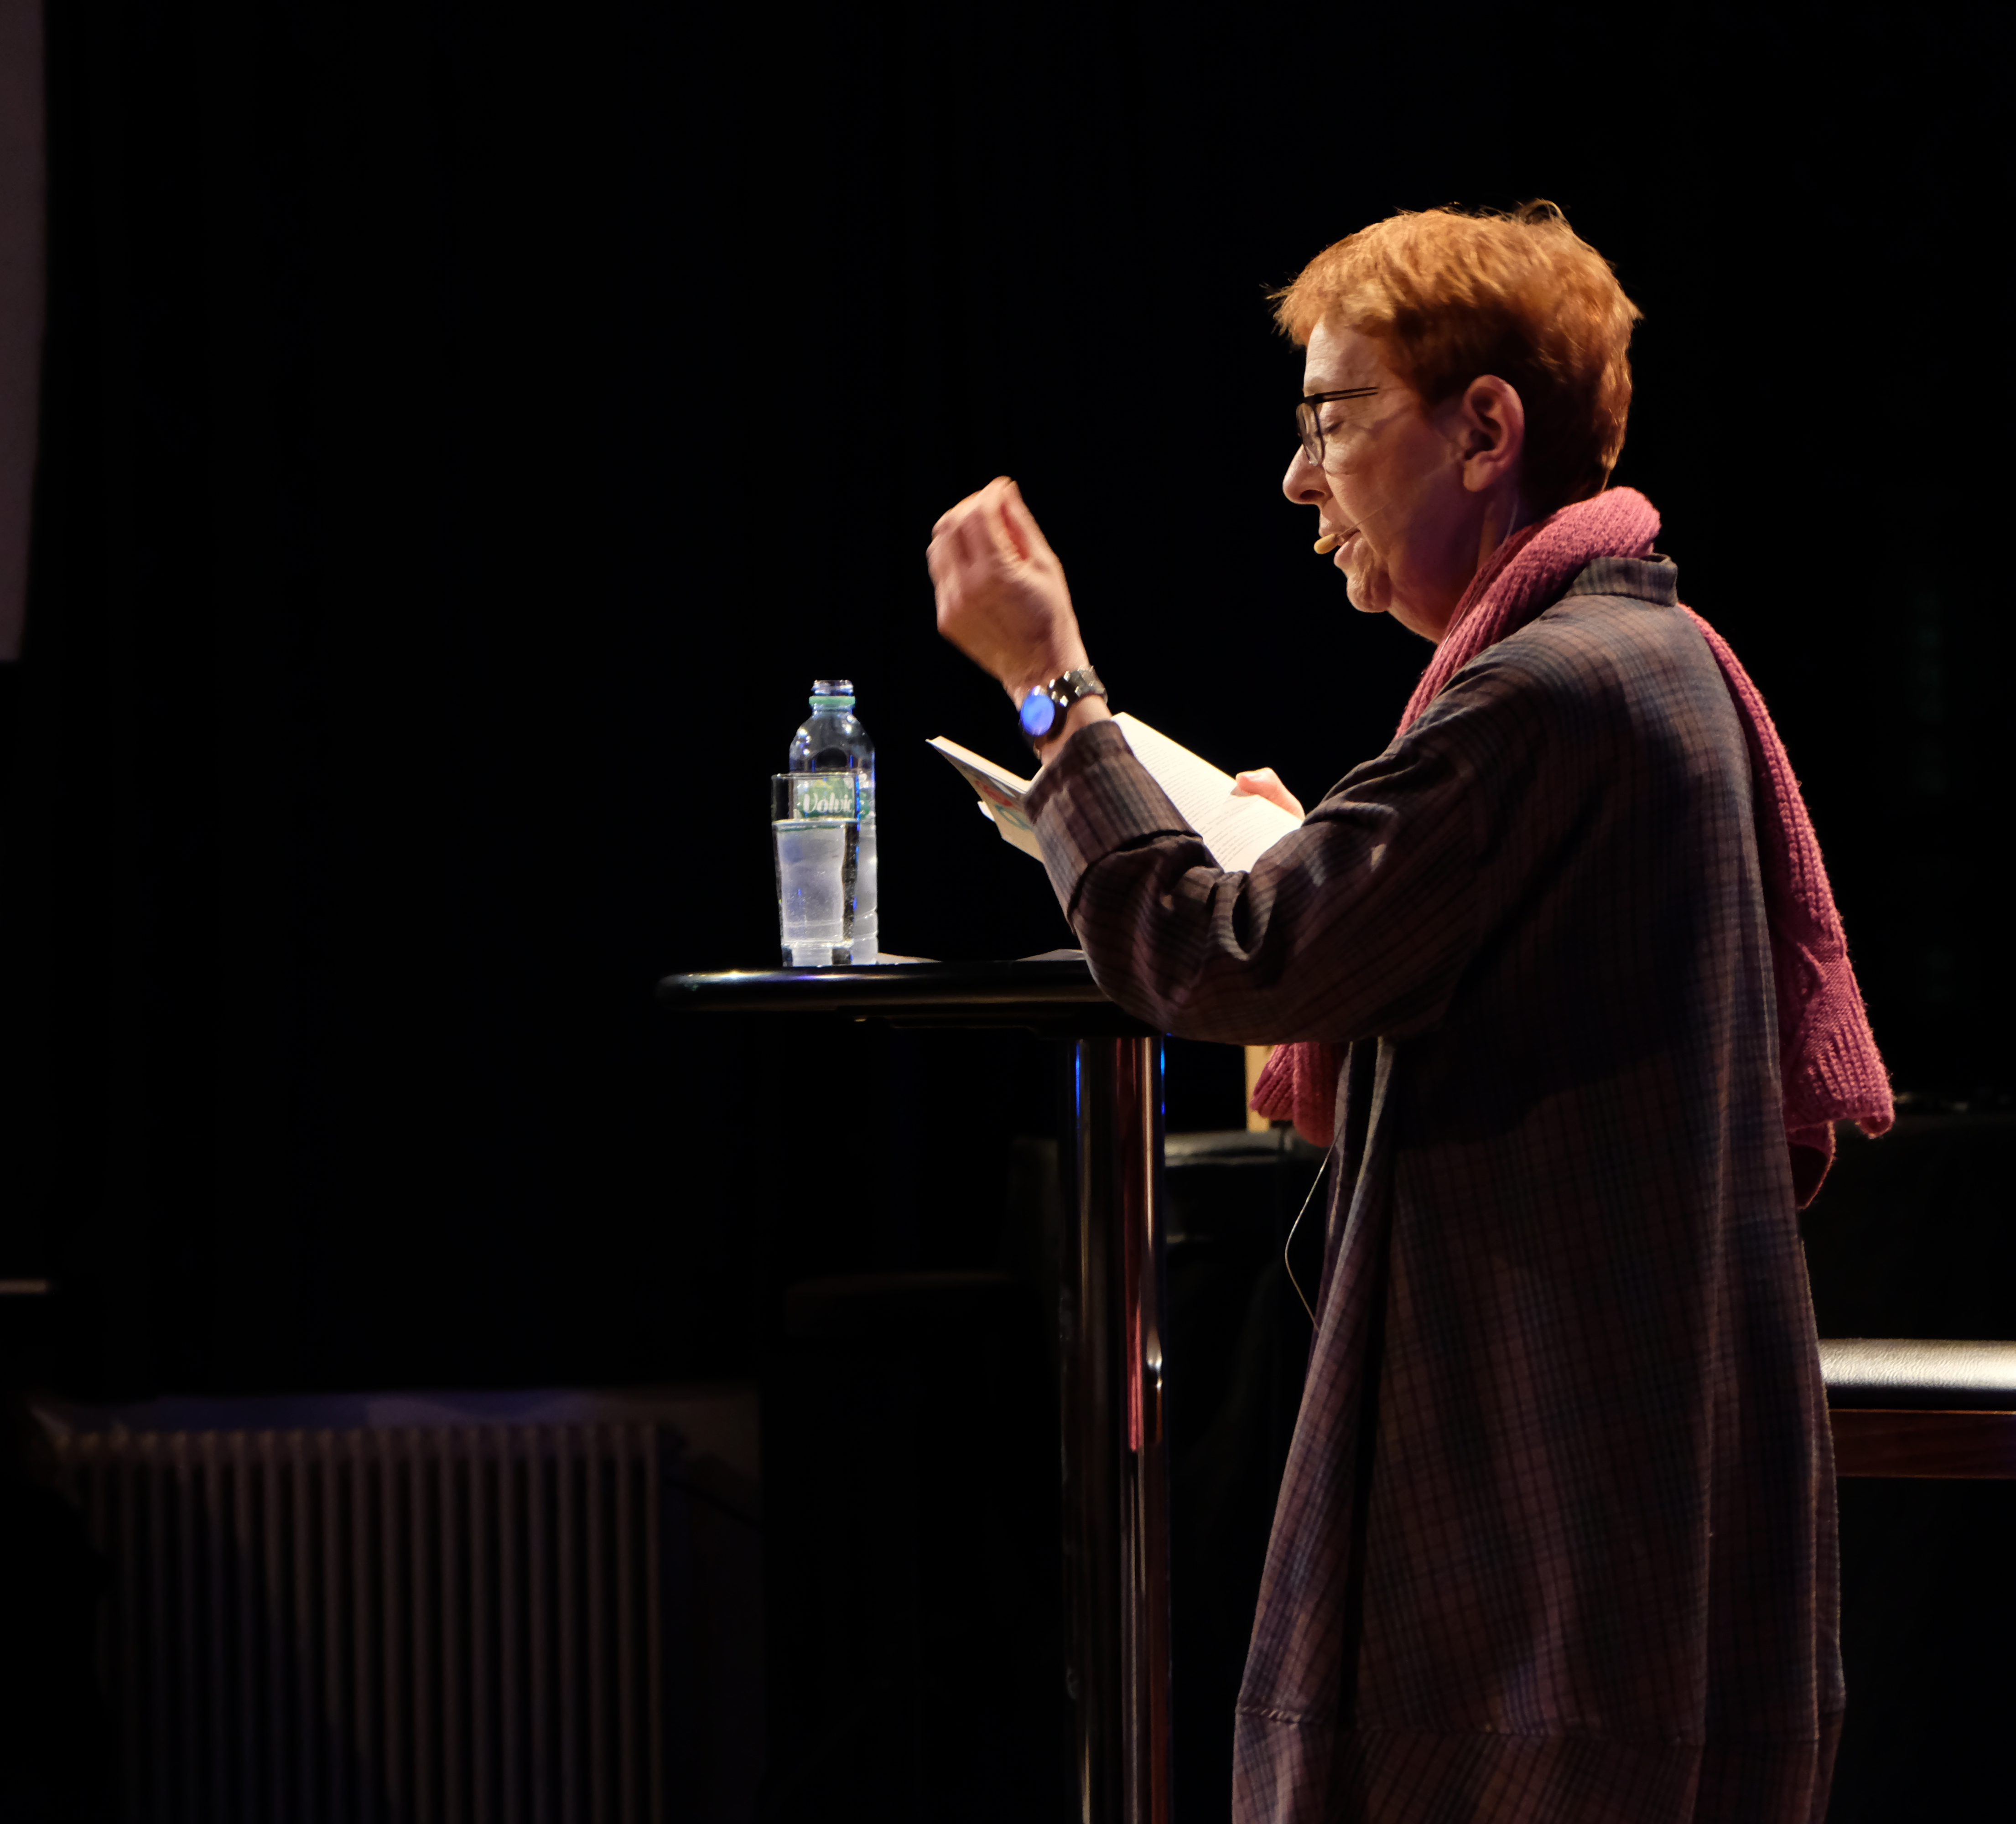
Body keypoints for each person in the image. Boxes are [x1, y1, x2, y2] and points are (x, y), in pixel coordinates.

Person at [926, 202, 1891, 1823]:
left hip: (1553, 1550)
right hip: (1607, 1512)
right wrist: (1317, 858)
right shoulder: (1646, 657)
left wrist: (1052, 693)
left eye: (1331, 420)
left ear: (1485, 428)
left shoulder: (1548, 693)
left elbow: (1217, 962)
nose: (1300, 484)